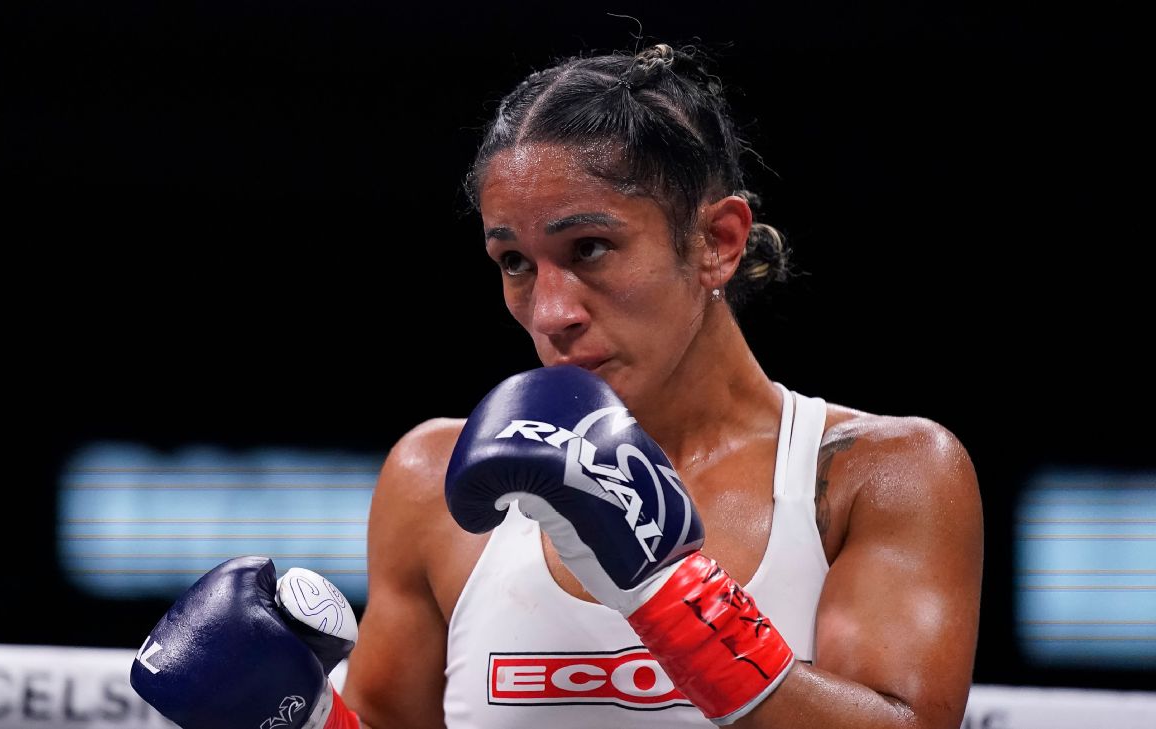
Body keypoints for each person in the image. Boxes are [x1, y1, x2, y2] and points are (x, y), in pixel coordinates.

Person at [130, 42, 983, 729]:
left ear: (719, 241)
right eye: (514, 262)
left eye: (590, 249)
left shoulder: (880, 477)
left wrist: (663, 593)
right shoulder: (435, 481)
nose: (552, 310)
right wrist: (302, 720)